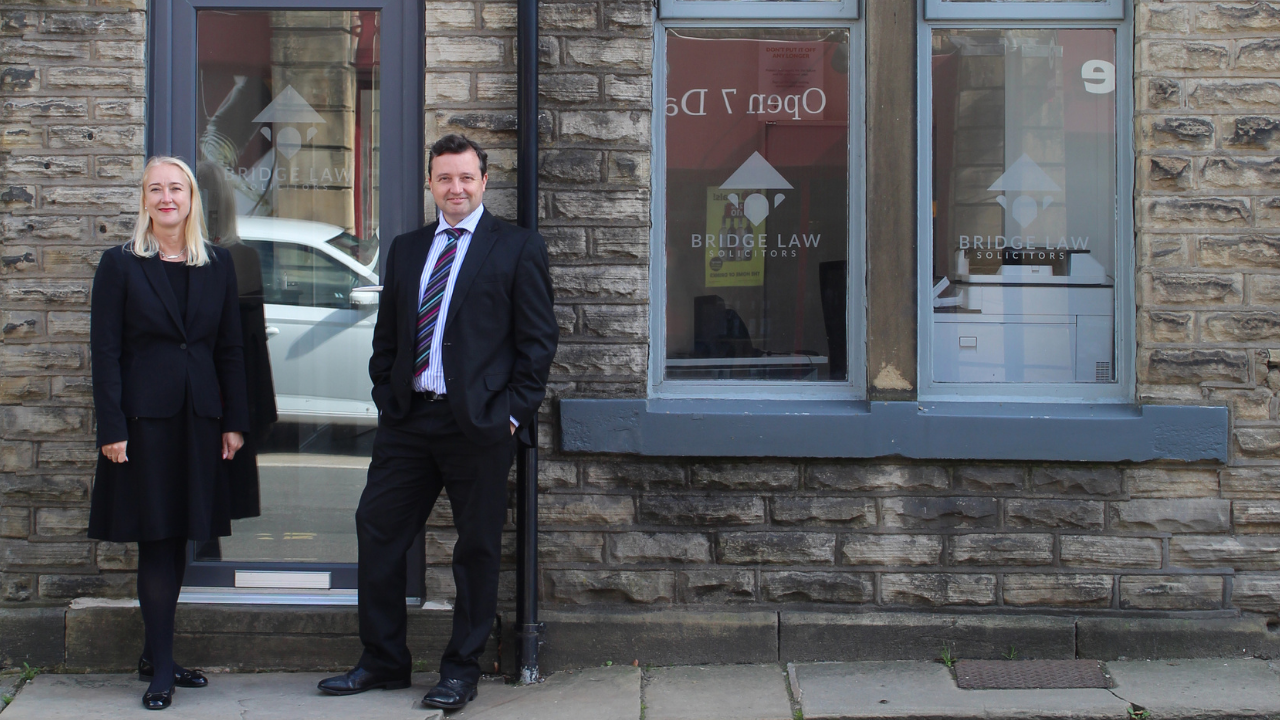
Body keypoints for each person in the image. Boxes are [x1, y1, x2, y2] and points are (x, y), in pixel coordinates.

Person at [317, 134, 558, 711]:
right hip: (408, 422)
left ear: (483, 181)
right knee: (377, 532)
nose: (456, 188)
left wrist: (510, 416)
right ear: (430, 183)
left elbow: (538, 343)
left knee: (475, 551)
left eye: (466, 178)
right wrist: (386, 393)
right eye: (445, 178)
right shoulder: (404, 249)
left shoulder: (517, 248)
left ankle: (460, 670)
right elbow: (388, 337)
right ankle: (383, 660)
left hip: (478, 427)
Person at [89, 156, 250, 711]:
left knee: (179, 535)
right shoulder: (121, 265)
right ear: (144, 199)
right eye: (155, 189)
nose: (165, 198)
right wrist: (110, 426)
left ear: (191, 198)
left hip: (199, 423)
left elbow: (231, 348)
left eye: (175, 188)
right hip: (143, 425)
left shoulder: (218, 265)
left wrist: (234, 421)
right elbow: (105, 353)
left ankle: (154, 652)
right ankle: (161, 668)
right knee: (156, 540)